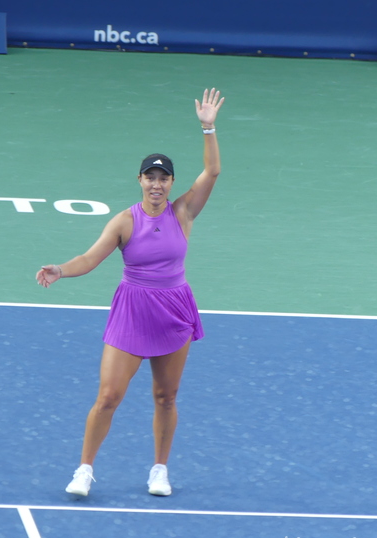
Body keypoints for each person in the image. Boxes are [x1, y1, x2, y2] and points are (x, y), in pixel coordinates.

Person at [36, 88, 225, 497]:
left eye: (163, 178)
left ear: (171, 182)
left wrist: (208, 127)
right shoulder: (124, 221)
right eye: (150, 177)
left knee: (165, 396)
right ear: (140, 180)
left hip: (174, 308)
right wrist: (61, 271)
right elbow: (90, 258)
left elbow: (211, 173)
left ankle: (159, 469)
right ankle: (84, 470)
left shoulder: (184, 211)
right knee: (108, 396)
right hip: (132, 312)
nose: (156, 184)